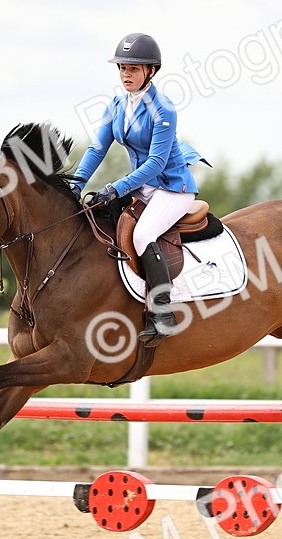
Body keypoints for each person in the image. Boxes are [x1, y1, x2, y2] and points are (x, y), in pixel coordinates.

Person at [72, 32, 207, 345]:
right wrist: (76, 185)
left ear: (151, 71)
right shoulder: (117, 103)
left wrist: (115, 187)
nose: (125, 75)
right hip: (142, 187)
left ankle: (162, 313)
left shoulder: (164, 109)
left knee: (143, 234)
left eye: (133, 69)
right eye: (122, 68)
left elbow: (157, 164)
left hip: (173, 188)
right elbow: (97, 148)